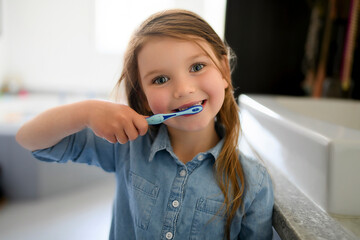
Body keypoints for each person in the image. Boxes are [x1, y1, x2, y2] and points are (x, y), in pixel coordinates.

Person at [16, 9, 274, 240]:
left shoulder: (253, 183)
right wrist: (87, 111)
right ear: (143, 97)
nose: (183, 90)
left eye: (197, 66)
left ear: (224, 73)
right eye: (160, 79)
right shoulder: (127, 145)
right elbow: (29, 139)